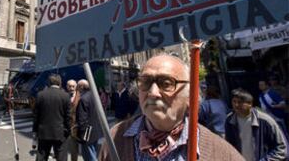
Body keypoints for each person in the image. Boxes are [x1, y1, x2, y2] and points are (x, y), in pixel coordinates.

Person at [99, 53, 244, 161]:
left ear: (190, 96)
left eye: (166, 83)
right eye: (146, 82)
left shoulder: (222, 154)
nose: (153, 92)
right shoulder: (114, 139)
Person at [225, 88, 288, 160]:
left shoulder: (265, 120)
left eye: (240, 102)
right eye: (234, 101)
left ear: (250, 104)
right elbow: (229, 146)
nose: (236, 105)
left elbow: (282, 148)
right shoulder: (229, 120)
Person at [33, 74, 70, 161]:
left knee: (42, 156)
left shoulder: (40, 95)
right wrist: (68, 130)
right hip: (60, 132)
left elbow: (36, 115)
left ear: (48, 83)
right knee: (61, 157)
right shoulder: (65, 96)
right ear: (60, 83)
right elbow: (68, 116)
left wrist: (35, 130)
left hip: (43, 131)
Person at [76, 79, 103, 161]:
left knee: (89, 155)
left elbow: (82, 119)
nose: (77, 88)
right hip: (96, 129)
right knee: (93, 152)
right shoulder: (95, 96)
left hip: (87, 132)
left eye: (77, 86)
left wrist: (82, 133)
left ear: (81, 87)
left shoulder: (83, 99)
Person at [67, 79, 79, 161]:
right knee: (72, 148)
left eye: (73, 86)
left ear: (76, 87)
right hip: (68, 126)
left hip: (78, 126)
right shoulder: (65, 96)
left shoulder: (80, 96)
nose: (71, 88)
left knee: (82, 150)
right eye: (70, 86)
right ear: (67, 87)